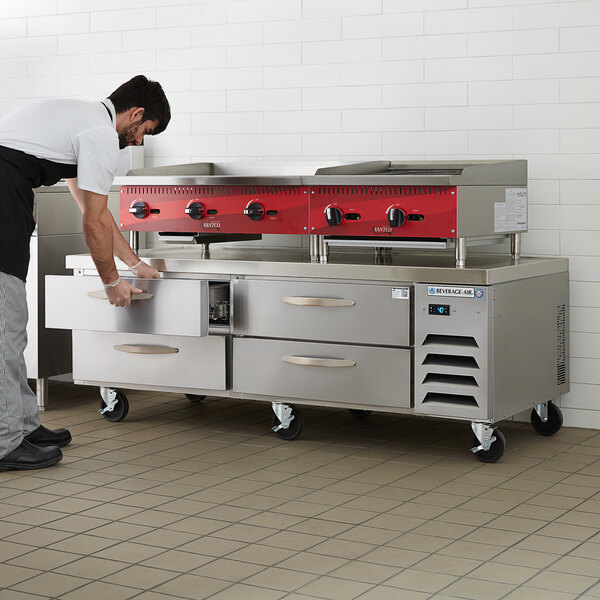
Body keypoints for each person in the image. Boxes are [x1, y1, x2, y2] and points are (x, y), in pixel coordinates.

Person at [0, 75, 171, 472]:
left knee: (12, 325)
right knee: (5, 326)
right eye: (146, 131)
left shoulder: (85, 123)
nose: (141, 141)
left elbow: (96, 211)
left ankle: (22, 426)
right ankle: (5, 442)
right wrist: (111, 283)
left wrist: (135, 265)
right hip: (3, 194)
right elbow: (92, 225)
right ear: (136, 114)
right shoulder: (98, 133)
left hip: (9, 192)